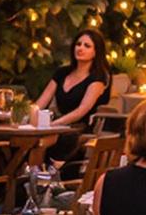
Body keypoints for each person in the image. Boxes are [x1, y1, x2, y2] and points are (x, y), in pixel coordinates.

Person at [31, 28, 111, 164]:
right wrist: (31, 116)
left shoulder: (97, 77)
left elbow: (82, 110)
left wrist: (53, 125)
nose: (80, 48)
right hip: (55, 124)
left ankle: (38, 177)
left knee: (42, 142)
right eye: (78, 44)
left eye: (87, 46)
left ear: (96, 52)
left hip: (78, 128)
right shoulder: (62, 72)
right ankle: (26, 178)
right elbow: (40, 103)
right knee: (25, 140)